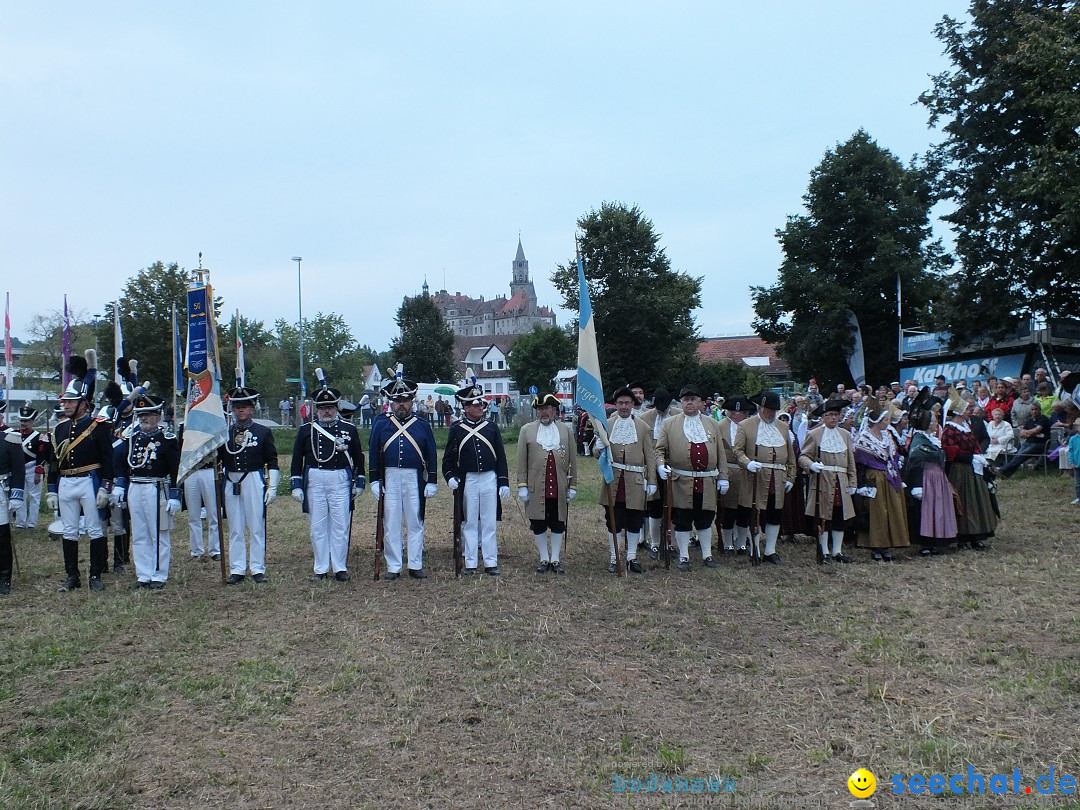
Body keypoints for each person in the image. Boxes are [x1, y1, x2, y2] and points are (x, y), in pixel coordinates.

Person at [48, 350, 113, 592]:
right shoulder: (59, 429)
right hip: (66, 483)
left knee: (95, 529)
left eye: (70, 402)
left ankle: (95, 575)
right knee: (70, 530)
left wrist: (106, 486)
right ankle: (72, 576)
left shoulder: (98, 426)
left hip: (90, 480)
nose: (65, 405)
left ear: (83, 404)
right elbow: (54, 461)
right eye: (64, 401)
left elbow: (108, 459)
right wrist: (52, 489)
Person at [290, 379, 366, 582]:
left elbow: (358, 456)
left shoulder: (348, 429)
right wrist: (296, 484)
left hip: (340, 479)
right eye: (322, 408)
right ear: (316, 409)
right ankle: (321, 568)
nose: (326, 411)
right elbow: (297, 458)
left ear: (336, 408)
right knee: (318, 526)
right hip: (315, 479)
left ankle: (340, 567)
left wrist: (359, 481)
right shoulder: (307, 430)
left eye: (330, 407)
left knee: (341, 524)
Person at [369, 377, 438, 580]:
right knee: (391, 522)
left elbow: (431, 454)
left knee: (415, 521)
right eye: (398, 401)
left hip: (414, 477)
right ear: (391, 402)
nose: (401, 404)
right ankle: (394, 565)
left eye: (405, 400)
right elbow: (373, 452)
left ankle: (415, 564)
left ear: (412, 402)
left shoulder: (422, 425)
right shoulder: (382, 424)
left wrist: (432, 480)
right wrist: (374, 479)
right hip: (390, 476)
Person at [656, 385, 729, 571]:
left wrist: (723, 476)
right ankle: (684, 556)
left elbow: (721, 453)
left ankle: (707, 555)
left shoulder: (712, 424)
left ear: (701, 403)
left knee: (706, 518)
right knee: (682, 518)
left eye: (693, 399)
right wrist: (660, 465)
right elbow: (659, 450)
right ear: (681, 402)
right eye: (685, 399)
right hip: (681, 481)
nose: (689, 403)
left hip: (707, 481)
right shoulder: (669, 424)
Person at [113, 395, 180, 590]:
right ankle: (143, 574)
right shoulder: (133, 437)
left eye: (148, 415)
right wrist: (120, 483)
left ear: (158, 417)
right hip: (135, 486)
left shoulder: (167, 439)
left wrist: (175, 495)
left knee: (158, 532)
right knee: (140, 532)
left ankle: (159, 574)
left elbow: (176, 469)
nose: (143, 418)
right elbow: (120, 461)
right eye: (141, 415)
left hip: (156, 487)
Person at [443, 383, 510, 575]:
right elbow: (448, 459)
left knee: (489, 522)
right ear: (466, 407)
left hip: (489, 477)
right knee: (470, 522)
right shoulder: (457, 429)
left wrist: (503, 481)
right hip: (469, 480)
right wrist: (450, 477)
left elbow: (501, 456)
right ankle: (470, 562)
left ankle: (491, 562)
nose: (481, 407)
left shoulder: (491, 428)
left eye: (481, 403)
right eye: (475, 404)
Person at [593, 386, 657, 574]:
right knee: (613, 521)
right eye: (620, 403)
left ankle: (631, 557)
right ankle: (614, 558)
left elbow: (650, 456)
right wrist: (598, 447)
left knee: (634, 520)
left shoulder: (643, 427)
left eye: (627, 403)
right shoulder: (606, 424)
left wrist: (651, 480)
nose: (623, 406)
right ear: (615, 404)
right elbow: (598, 454)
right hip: (613, 480)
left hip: (635, 480)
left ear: (632, 405)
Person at [219, 387, 280, 584]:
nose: (241, 411)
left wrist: (273, 486)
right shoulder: (224, 433)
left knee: (256, 526)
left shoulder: (262, 432)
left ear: (252, 408)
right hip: (231, 480)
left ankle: (257, 568)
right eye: (237, 407)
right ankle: (237, 569)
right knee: (235, 528)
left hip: (253, 478)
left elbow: (272, 460)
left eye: (244, 407)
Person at [517, 393, 577, 574]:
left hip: (559, 485)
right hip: (536, 486)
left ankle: (556, 558)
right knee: (538, 522)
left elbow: (572, 460)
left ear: (554, 411)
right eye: (540, 409)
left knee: (558, 521)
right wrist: (522, 485)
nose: (544, 413)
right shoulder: (526, 430)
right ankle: (544, 558)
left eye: (547, 409)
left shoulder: (566, 431)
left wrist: (573, 485)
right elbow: (521, 461)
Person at [733, 391, 795, 565]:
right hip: (755, 476)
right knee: (754, 514)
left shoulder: (782, 427)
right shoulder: (745, 426)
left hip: (778, 477)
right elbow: (737, 451)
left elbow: (790, 455)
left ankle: (770, 550)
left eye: (773, 411)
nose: (771, 414)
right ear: (759, 408)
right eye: (768, 410)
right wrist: (747, 463)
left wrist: (790, 477)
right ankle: (754, 548)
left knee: (775, 513)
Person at [799, 398, 856, 564]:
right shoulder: (814, 434)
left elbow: (850, 461)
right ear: (823, 417)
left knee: (840, 515)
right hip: (823, 480)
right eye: (829, 415)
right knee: (824, 516)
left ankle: (837, 551)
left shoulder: (845, 434)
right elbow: (803, 457)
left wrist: (852, 482)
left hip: (841, 480)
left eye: (836, 414)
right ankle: (823, 551)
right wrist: (812, 465)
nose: (833, 418)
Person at [852, 400, 909, 561]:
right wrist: (862, 485)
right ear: (876, 422)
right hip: (874, 478)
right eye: (885, 420)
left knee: (892, 509)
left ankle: (889, 543)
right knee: (877, 512)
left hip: (890, 478)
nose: (888, 422)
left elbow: (894, 456)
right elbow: (860, 462)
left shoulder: (887, 436)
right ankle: (876, 545)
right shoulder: (864, 438)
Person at [903, 389, 957, 556]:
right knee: (927, 509)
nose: (935, 423)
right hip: (927, 477)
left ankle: (937, 540)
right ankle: (925, 543)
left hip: (937, 476)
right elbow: (915, 457)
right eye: (933, 421)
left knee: (937, 508)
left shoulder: (930, 439)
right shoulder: (920, 440)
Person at [942, 390, 997, 549]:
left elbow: (975, 444)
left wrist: (978, 457)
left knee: (975, 501)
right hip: (960, 470)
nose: (970, 412)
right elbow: (949, 450)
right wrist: (970, 458)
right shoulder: (950, 429)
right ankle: (962, 537)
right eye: (967, 410)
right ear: (959, 412)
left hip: (973, 470)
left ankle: (976, 535)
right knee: (964, 502)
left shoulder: (965, 427)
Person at [638, 387, 680, 557]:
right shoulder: (645, 419)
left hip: (675, 469)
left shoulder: (678, 416)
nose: (661, 411)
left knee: (675, 507)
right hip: (653, 468)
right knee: (654, 506)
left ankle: (672, 543)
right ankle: (655, 542)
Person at [716, 395, 753, 555]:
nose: (743, 415)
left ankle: (742, 542)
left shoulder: (749, 427)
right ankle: (728, 543)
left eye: (745, 412)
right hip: (728, 471)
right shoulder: (719, 426)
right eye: (741, 412)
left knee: (744, 510)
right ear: (732, 412)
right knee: (728, 510)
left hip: (746, 472)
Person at [181, 421, 221, 561]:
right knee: (193, 514)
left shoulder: (211, 421)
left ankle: (215, 549)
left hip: (209, 469)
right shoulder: (185, 425)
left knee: (213, 512)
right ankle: (196, 549)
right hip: (191, 471)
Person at [0, 401, 26, 594]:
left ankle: (4, 577)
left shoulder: (11, 437)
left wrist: (16, 494)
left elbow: (18, 468)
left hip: (1, 489)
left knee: (1, 536)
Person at [14, 405, 48, 530]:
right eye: (22, 420)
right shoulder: (15, 435)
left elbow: (41, 455)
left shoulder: (38, 437)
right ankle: (20, 522)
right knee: (20, 495)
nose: (23, 423)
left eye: (26, 421)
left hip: (33, 468)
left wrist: (38, 472)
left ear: (32, 422)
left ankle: (32, 523)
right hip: (19, 469)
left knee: (34, 497)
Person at [998, 401, 1052, 478]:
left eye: (1036, 409)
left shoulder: (1044, 419)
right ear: (1030, 411)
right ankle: (1006, 474)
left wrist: (1030, 433)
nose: (1034, 411)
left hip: (1041, 444)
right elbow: (1021, 434)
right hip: (1028, 442)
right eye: (1032, 409)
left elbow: (1035, 430)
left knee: (1021, 455)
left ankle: (1003, 469)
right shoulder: (1029, 420)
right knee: (1018, 456)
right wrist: (1032, 433)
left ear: (1040, 410)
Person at [1069, 418, 1080, 505]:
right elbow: (1071, 451)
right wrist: (1071, 461)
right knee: (1077, 482)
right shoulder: (1073, 439)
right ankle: (1078, 497)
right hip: (1077, 463)